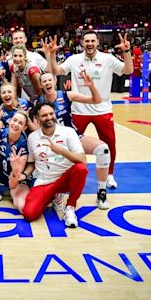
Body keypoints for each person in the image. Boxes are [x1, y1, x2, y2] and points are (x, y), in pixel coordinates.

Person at [46, 32, 133, 188]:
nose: (90, 43)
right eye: (87, 41)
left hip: (103, 109)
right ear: (82, 43)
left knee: (109, 144)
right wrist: (52, 54)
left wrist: (126, 52)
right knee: (69, 144)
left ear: (97, 42)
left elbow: (128, 70)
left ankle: (109, 175)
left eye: (93, 40)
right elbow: (56, 71)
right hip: (79, 110)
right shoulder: (74, 59)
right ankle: (67, 174)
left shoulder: (108, 58)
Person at [39, 72, 110, 209]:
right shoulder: (38, 102)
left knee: (103, 149)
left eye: (49, 80)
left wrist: (91, 86)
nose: (47, 83)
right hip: (54, 141)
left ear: (54, 81)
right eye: (44, 81)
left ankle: (102, 191)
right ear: (41, 85)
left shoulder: (66, 95)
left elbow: (96, 100)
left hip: (73, 137)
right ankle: (56, 190)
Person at [16, 101, 88, 227]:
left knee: (81, 169)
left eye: (51, 114)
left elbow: (82, 159)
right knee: (29, 214)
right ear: (37, 119)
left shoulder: (68, 132)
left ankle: (70, 207)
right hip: (44, 181)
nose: (49, 117)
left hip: (64, 179)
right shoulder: (32, 137)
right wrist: (24, 174)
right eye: (44, 115)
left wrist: (61, 151)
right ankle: (54, 196)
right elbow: (32, 163)